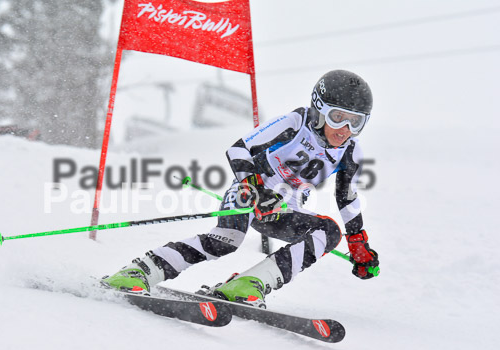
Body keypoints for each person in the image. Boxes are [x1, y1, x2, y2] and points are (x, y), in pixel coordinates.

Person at [102, 70, 380, 308]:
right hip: (249, 193)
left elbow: (347, 198)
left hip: (283, 211)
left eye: (355, 122)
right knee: (225, 242)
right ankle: (141, 271)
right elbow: (239, 149)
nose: (344, 129)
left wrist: (358, 242)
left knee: (328, 231)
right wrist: (256, 188)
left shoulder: (350, 151)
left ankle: (249, 283)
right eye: (337, 117)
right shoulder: (297, 124)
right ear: (319, 110)